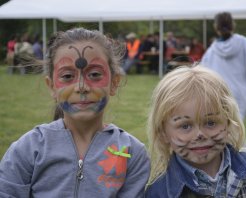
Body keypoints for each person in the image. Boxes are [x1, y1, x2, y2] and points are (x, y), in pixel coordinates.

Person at [0, 28, 150, 197]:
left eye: (94, 74)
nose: (81, 87)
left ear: (114, 83)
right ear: (51, 86)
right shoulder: (28, 149)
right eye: (67, 76)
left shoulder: (132, 154)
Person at [145, 65, 246, 197]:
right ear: (163, 133)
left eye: (210, 123)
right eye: (185, 126)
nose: (200, 135)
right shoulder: (160, 191)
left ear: (228, 121)